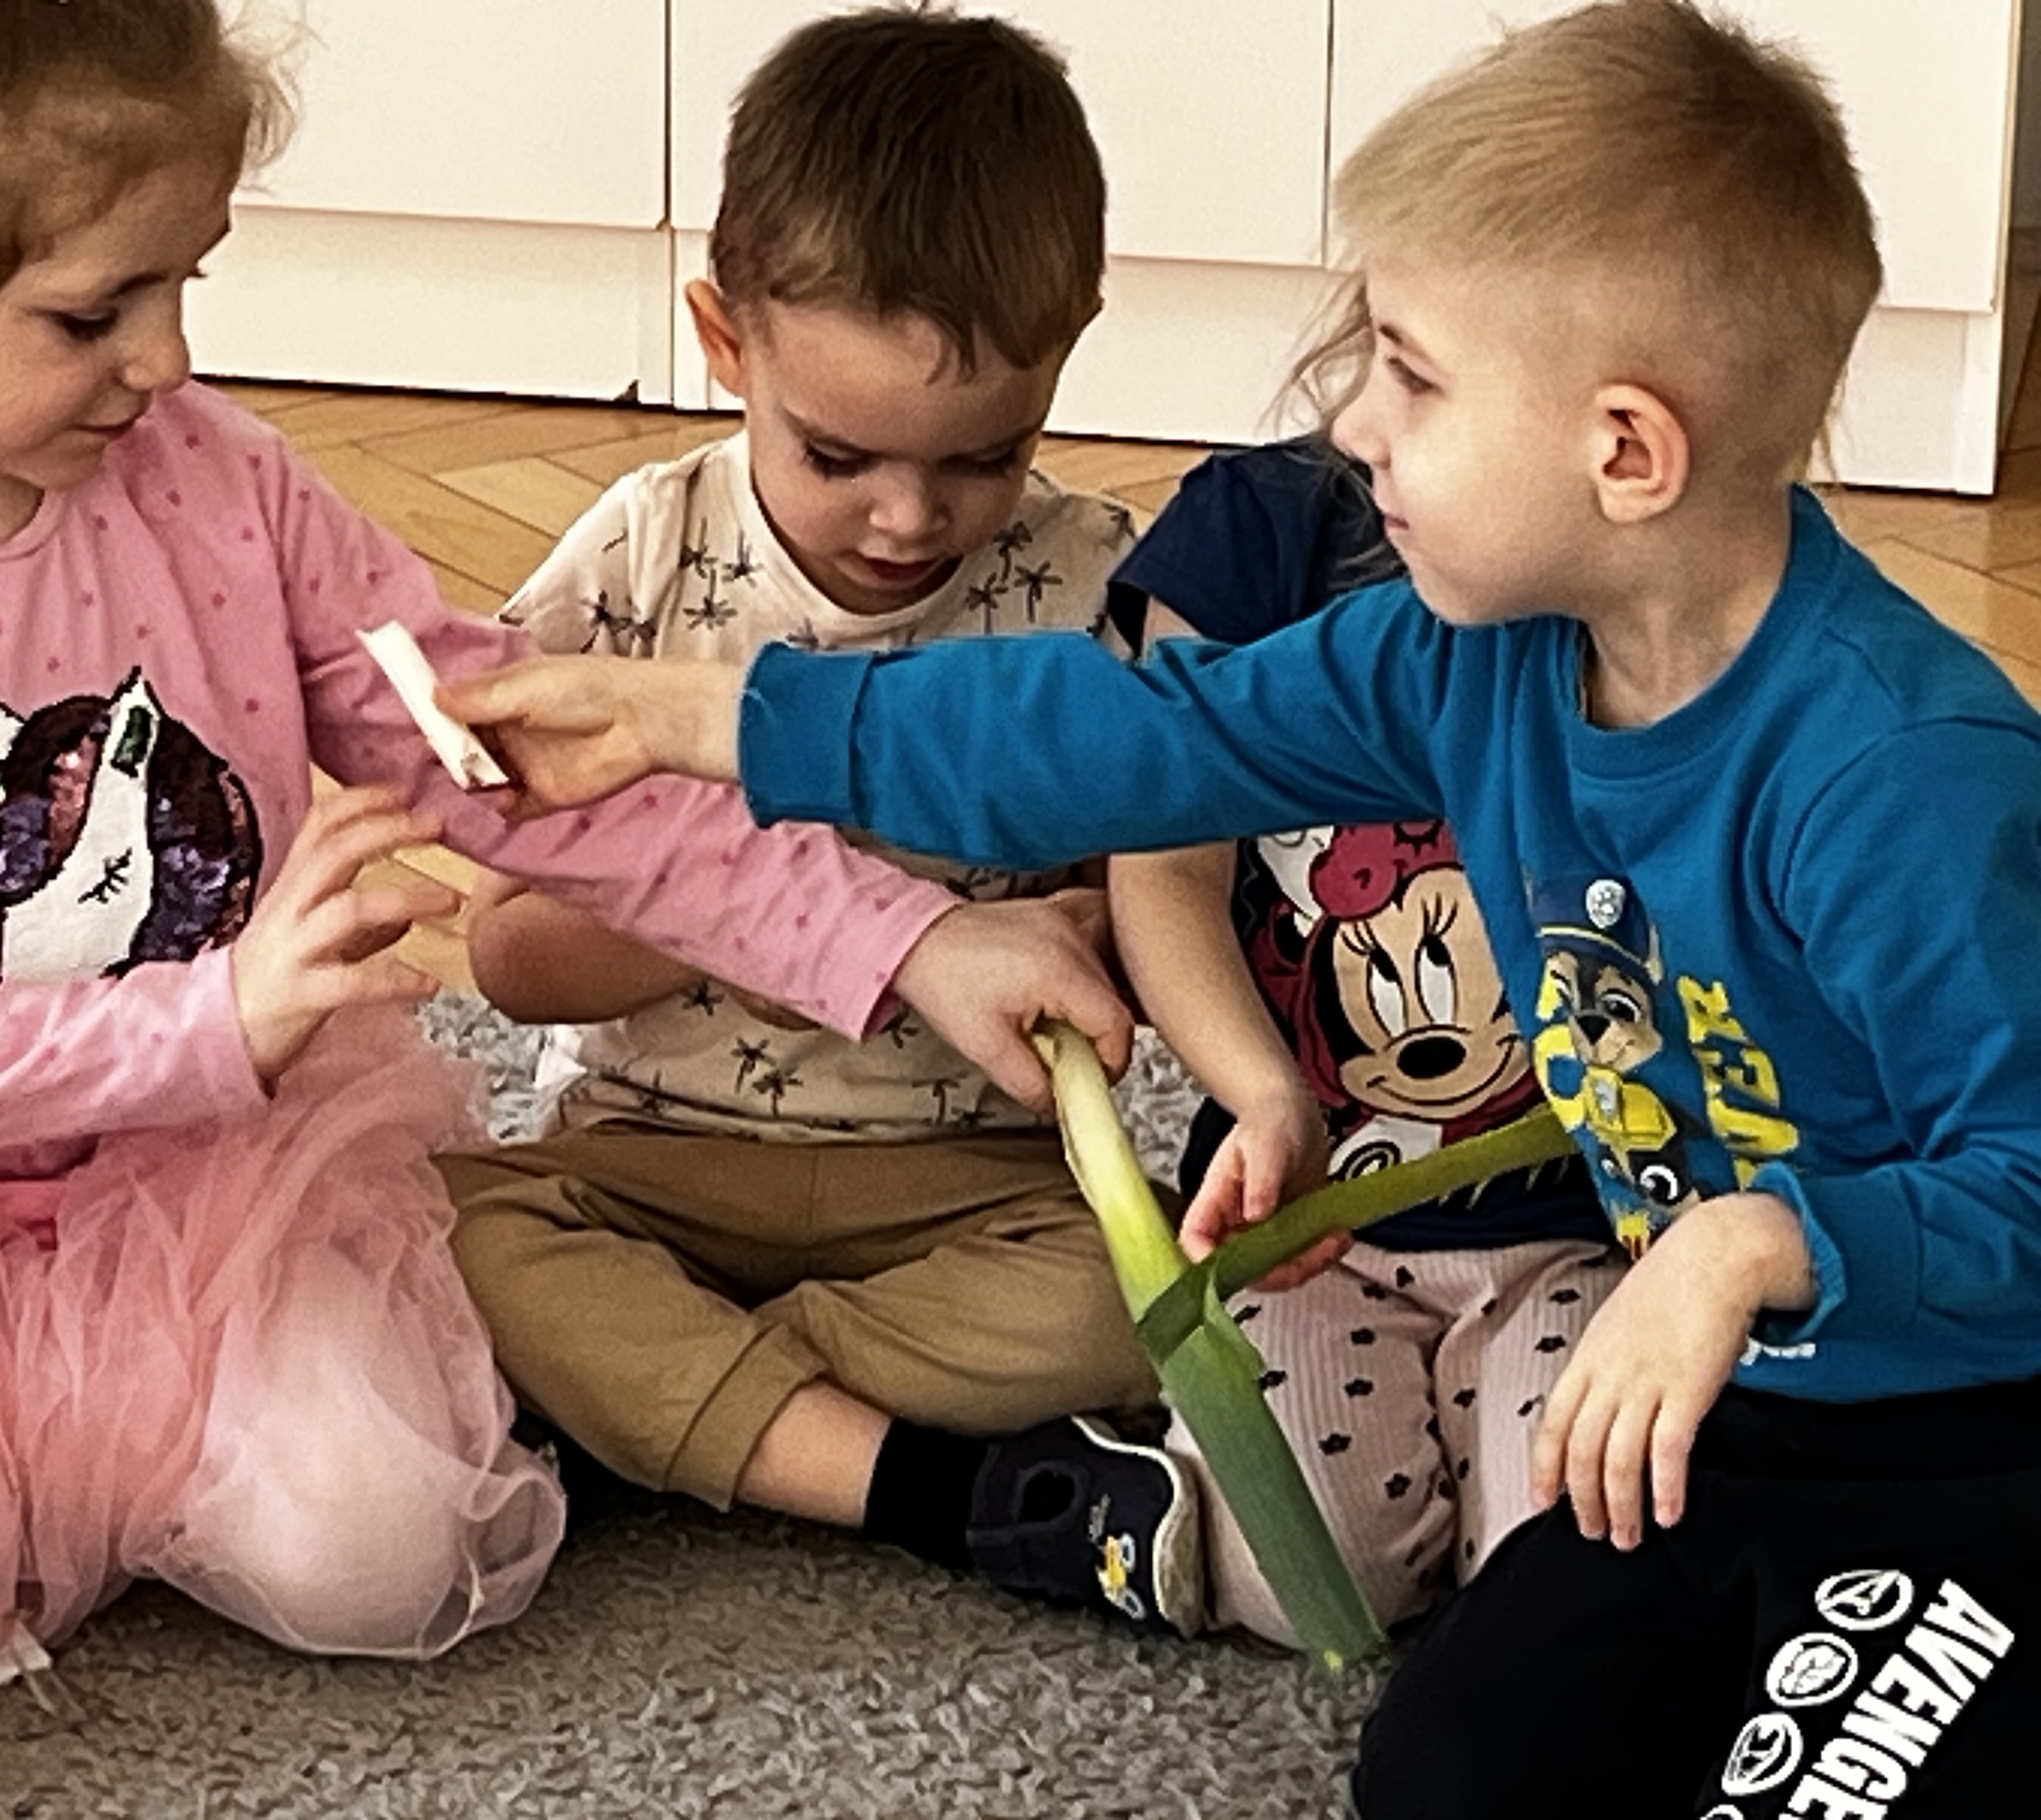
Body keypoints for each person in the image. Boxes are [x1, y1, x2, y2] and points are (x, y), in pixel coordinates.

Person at [442, 2, 2041, 1810]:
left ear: (1623, 455)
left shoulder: (1900, 772)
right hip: (1726, 1411)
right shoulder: (1470, 659)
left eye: (1414, 378)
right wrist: (706, 721)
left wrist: (1756, 1247)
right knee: (1445, 1777)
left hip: (1973, 1427)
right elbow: (1124, 738)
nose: (1352, 422)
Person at [0, 0, 1132, 1758]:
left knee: (382, 1556)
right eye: (95, 313)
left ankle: (101, 1465)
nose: (168, 360)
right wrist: (213, 1021)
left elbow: (532, 766)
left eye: (188, 281)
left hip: (198, 1188)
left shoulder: (215, 484)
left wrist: (907, 936)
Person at [438, 5, 1204, 1641]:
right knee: (439, 1235)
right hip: (649, 1161)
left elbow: (1163, 918)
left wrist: (1105, 937)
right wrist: (757, 924)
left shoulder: (1101, 588)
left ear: (1073, 342)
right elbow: (510, 961)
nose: (910, 518)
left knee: (1139, 1305)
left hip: (965, 1184)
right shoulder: (639, 564)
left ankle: (682, 1408)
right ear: (725, 341)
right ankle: (870, 1461)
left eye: (985, 457)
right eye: (840, 454)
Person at [1106, 436, 1620, 1642]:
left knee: (1571, 1577)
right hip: (1305, 1236)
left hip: (1580, 1232)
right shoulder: (1258, 528)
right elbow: (1166, 871)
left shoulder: (1651, 547)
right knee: (1296, 1581)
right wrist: (1265, 1096)